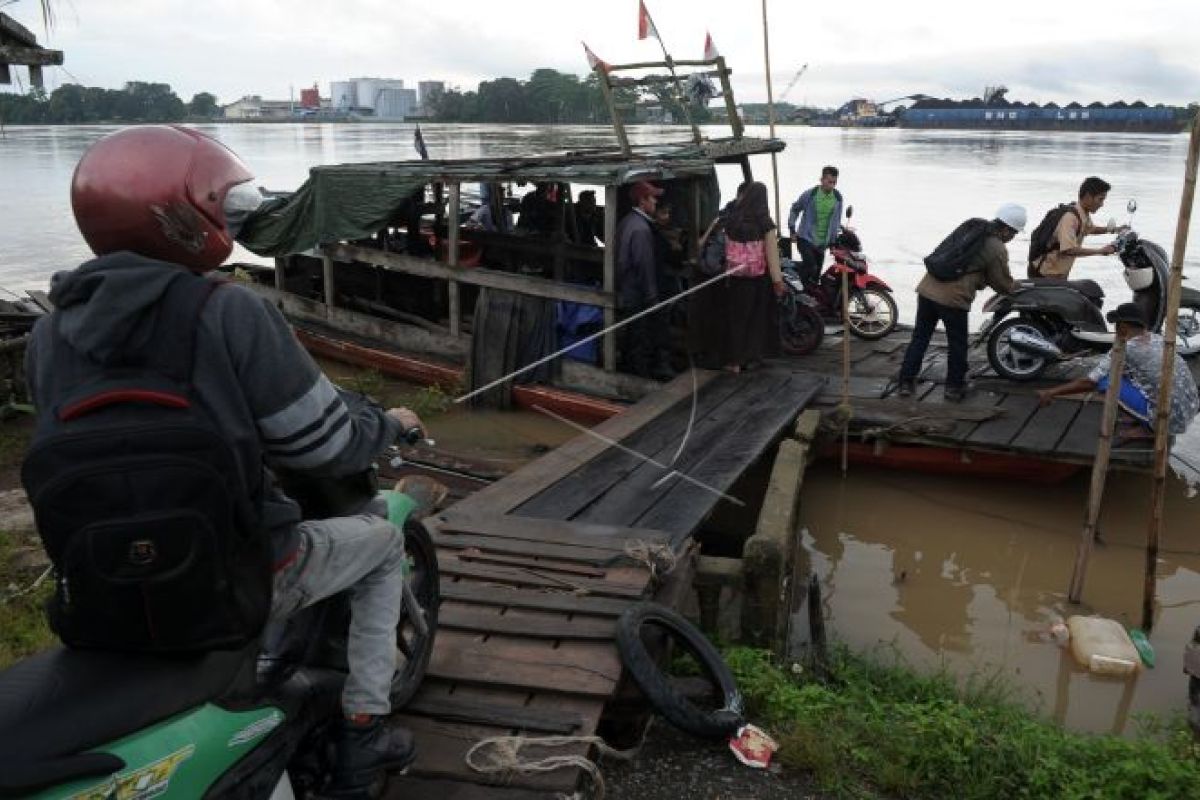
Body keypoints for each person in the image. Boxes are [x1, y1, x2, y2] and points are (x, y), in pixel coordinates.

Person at [27, 125, 432, 792]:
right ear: (188, 214)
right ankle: (365, 732)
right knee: (384, 544)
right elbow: (321, 443)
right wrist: (385, 422)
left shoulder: (51, 331)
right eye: (226, 203)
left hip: (102, 580)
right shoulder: (227, 309)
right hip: (236, 570)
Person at [897, 204, 1025, 401]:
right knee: (957, 343)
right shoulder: (996, 247)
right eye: (1014, 233)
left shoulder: (972, 227)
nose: (1012, 238)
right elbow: (1001, 282)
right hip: (953, 298)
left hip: (927, 288)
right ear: (1007, 229)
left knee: (920, 337)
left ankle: (906, 382)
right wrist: (1016, 288)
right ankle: (954, 387)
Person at [1037, 303, 1199, 439]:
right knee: (1126, 374)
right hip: (1188, 408)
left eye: (1116, 324)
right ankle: (1141, 416)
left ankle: (1149, 429)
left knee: (1105, 381)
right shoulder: (1157, 338)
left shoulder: (1123, 349)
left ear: (1123, 327)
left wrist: (1052, 392)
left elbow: (1090, 382)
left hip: (1169, 419)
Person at [702, 181, 784, 373]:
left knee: (736, 319)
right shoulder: (765, 223)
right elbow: (772, 255)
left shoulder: (733, 218)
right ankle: (751, 357)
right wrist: (777, 281)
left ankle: (734, 361)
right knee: (756, 319)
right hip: (759, 278)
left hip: (736, 277)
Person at [615, 180, 672, 379]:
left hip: (627, 287)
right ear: (642, 201)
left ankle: (632, 370)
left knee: (633, 334)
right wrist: (652, 297)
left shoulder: (627, 221)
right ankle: (638, 378)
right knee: (640, 336)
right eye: (653, 198)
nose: (656, 202)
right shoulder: (641, 229)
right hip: (637, 291)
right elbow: (644, 266)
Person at [1029, 176, 1122, 278]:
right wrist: (1100, 251)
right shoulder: (1070, 218)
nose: (1102, 204)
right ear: (1088, 196)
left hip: (1057, 272)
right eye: (1100, 199)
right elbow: (1069, 250)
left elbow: (1090, 229)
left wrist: (1113, 229)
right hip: (1045, 273)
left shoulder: (1082, 212)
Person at [787, 166, 844, 284]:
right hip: (805, 239)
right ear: (822, 179)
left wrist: (833, 242)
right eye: (829, 182)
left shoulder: (838, 198)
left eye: (834, 182)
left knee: (816, 277)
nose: (832, 185)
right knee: (811, 267)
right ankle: (794, 285)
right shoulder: (810, 195)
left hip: (821, 245)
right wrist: (792, 229)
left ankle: (806, 295)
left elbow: (836, 222)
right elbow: (795, 209)